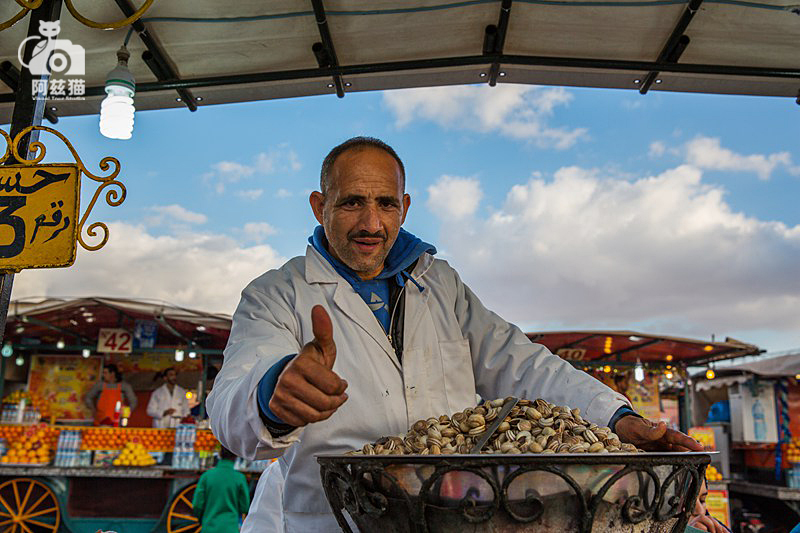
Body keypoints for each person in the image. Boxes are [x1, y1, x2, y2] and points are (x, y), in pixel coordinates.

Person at [207, 136, 703, 531]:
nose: (371, 223)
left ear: (405, 206)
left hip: (447, 516)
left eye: (385, 204)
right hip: (331, 519)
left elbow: (521, 363)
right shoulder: (277, 293)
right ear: (319, 206)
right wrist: (271, 397)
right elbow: (231, 402)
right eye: (351, 203)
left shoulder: (438, 283)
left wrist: (617, 418)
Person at [192, 446, 251, 532]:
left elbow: (197, 505)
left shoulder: (206, 476)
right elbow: (244, 507)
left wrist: (203, 519)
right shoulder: (239, 478)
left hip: (209, 527)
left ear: (219, 454)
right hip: (230, 528)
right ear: (236, 456)